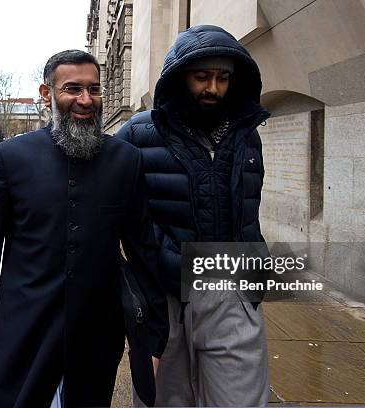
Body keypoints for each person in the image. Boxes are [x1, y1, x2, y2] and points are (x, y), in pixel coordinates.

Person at [0, 50, 168, 407]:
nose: (85, 100)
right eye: (72, 89)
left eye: (93, 90)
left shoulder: (126, 160)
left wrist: (155, 336)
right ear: (46, 93)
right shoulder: (10, 158)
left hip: (98, 328)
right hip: (24, 322)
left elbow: (144, 251)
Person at [116, 25, 270, 406]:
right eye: (202, 77)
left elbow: (250, 208)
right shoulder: (137, 134)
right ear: (179, 77)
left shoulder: (247, 135)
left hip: (231, 290)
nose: (212, 89)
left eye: (222, 78)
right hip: (162, 298)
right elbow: (113, 209)